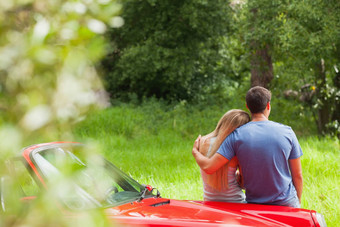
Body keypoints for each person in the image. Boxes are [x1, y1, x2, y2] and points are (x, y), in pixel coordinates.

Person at [192, 86, 303, 208]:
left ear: (247, 106)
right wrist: (297, 203)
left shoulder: (235, 136)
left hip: (255, 205)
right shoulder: (288, 132)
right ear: (268, 106)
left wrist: (196, 152)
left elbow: (210, 167)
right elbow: (297, 175)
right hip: (287, 202)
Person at [199, 109, 250, 203]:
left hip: (209, 201)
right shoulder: (237, 149)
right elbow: (244, 184)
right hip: (235, 202)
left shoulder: (203, 142)